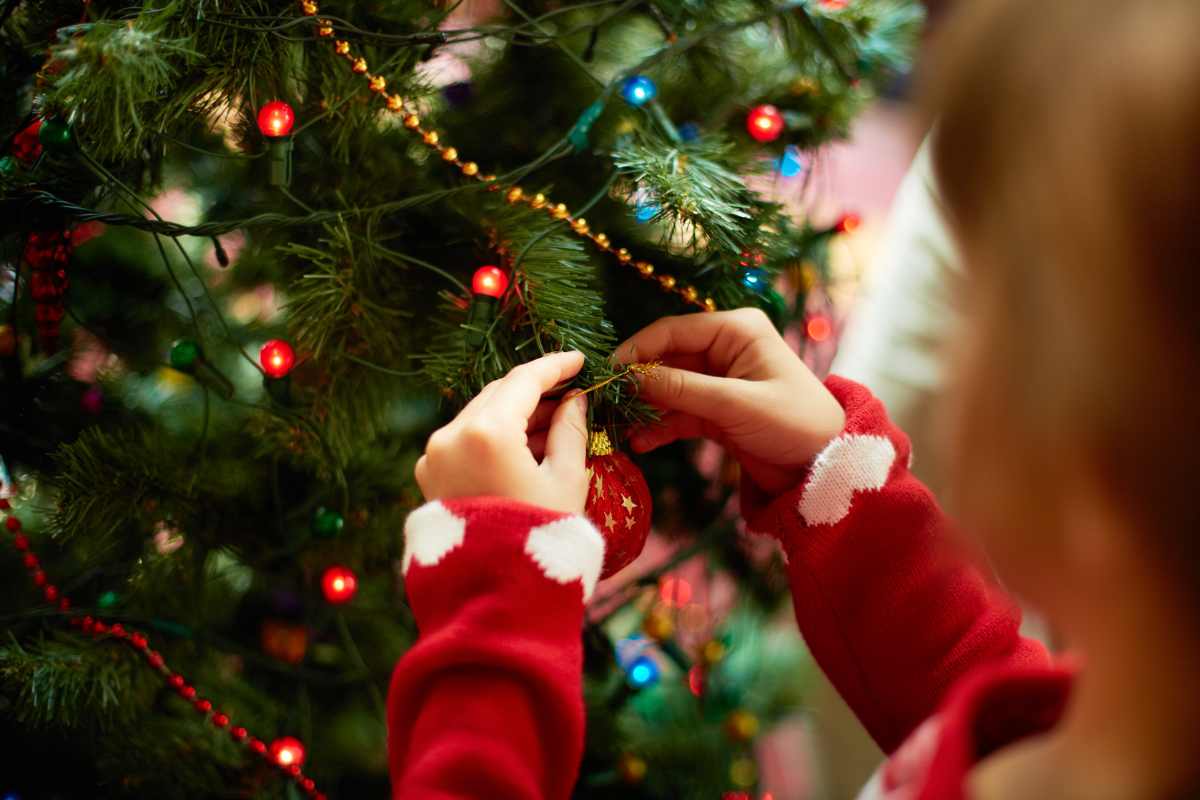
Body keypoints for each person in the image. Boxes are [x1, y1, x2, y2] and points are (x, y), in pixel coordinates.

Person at [387, 0, 1200, 797]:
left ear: (1100, 444)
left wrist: (496, 608)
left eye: (983, 302)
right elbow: (985, 704)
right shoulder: (1116, 730)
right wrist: (837, 478)